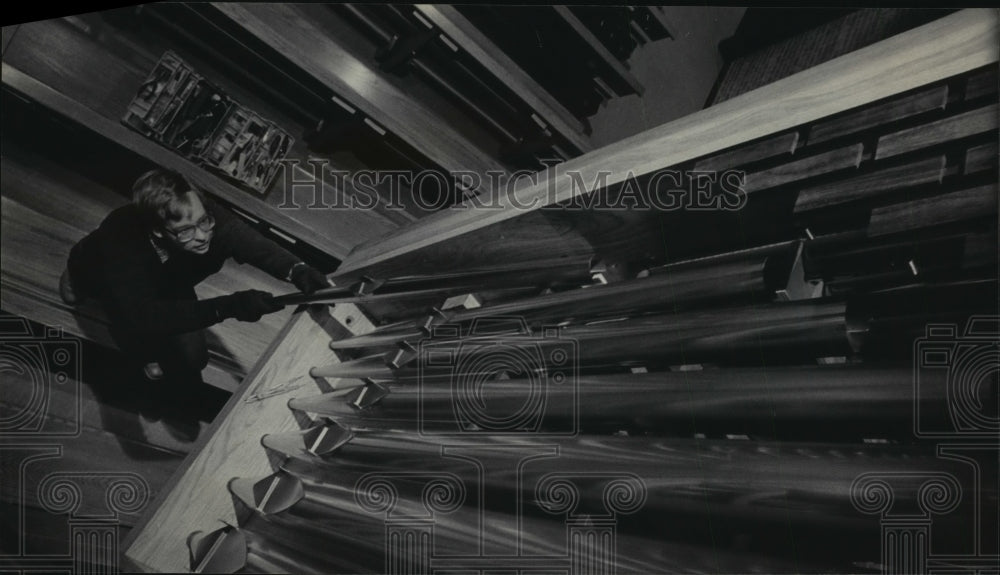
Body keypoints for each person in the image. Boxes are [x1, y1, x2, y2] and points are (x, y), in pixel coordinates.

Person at [59, 167, 330, 387]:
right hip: (105, 276)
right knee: (111, 309)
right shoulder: (120, 239)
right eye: (186, 230)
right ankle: (73, 276)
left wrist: (297, 269)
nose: (202, 236)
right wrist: (228, 306)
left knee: (194, 359)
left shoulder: (200, 214)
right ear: (158, 232)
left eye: (204, 222)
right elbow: (144, 316)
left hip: (168, 283)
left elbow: (248, 242)